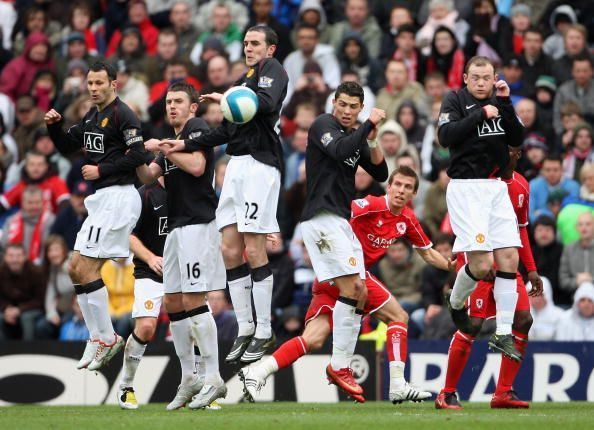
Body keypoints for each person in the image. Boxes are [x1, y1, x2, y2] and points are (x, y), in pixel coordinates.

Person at [240, 167, 455, 403]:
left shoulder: (407, 220)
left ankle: (258, 371)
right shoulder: (371, 204)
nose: (401, 191)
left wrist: (454, 267)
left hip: (337, 281)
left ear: (414, 194)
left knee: (313, 339)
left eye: (407, 187)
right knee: (398, 317)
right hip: (346, 273)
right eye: (398, 185)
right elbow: (336, 214)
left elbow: (428, 254)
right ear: (389, 186)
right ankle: (393, 383)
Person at [159, 25, 288, 366]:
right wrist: (183, 143)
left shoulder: (272, 71)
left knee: (254, 246)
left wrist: (229, 97)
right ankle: (245, 326)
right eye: (246, 43)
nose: (249, 48)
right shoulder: (244, 80)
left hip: (261, 164)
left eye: (256, 43)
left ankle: (265, 328)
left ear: (270, 49)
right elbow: (223, 132)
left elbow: (264, 104)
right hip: (236, 166)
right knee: (230, 249)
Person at [44, 61, 148, 371]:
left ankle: (107, 337)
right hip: (101, 200)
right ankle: (98, 335)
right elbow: (66, 145)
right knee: (75, 267)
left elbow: (139, 154)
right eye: (90, 83)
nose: (93, 88)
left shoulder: (123, 115)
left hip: (119, 197)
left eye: (99, 83)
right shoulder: (92, 116)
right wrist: (53, 127)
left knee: (86, 267)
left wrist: (102, 169)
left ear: (113, 84)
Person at [292, 80, 387, 398]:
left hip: (340, 221)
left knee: (358, 293)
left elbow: (381, 173)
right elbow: (339, 151)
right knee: (355, 289)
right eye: (342, 104)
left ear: (359, 108)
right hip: (320, 219)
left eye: (353, 107)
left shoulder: (355, 135)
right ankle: (340, 365)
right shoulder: (323, 125)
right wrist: (369, 124)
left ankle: (340, 366)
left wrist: (372, 140)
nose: (346, 111)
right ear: (334, 103)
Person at [136, 81, 227, 410]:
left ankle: (214, 378)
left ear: (192, 107)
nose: (171, 106)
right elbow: (149, 177)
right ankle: (189, 377)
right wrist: (134, 152)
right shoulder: (171, 141)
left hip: (197, 225)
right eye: (168, 101)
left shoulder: (197, 128)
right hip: (175, 228)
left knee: (192, 298)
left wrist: (168, 146)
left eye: (178, 101)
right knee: (172, 301)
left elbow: (199, 166)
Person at [435, 146, 543, 410]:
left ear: (518, 155)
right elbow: (465, 225)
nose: (510, 155)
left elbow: (520, 230)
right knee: (472, 326)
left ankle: (503, 393)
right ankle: (446, 393)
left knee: (524, 318)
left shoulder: (520, 186)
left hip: (506, 263)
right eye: (506, 150)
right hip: (479, 259)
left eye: (515, 151)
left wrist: (530, 268)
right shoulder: (479, 180)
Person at [437, 56, 525, 361]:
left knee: (509, 257)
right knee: (482, 264)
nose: (480, 83)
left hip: (496, 187)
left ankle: (503, 333)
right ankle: (456, 302)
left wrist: (506, 103)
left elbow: (517, 138)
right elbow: (445, 136)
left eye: (486, 78)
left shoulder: (500, 102)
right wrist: (478, 115)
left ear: (494, 78)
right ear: (464, 78)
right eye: (475, 77)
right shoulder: (455, 101)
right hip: (466, 188)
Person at [116, 177, 167, 410]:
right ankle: (126, 385)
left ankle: (202, 386)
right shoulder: (145, 193)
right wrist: (150, 258)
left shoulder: (191, 190)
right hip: (150, 269)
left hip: (183, 269)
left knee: (195, 327)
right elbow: (128, 235)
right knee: (146, 327)